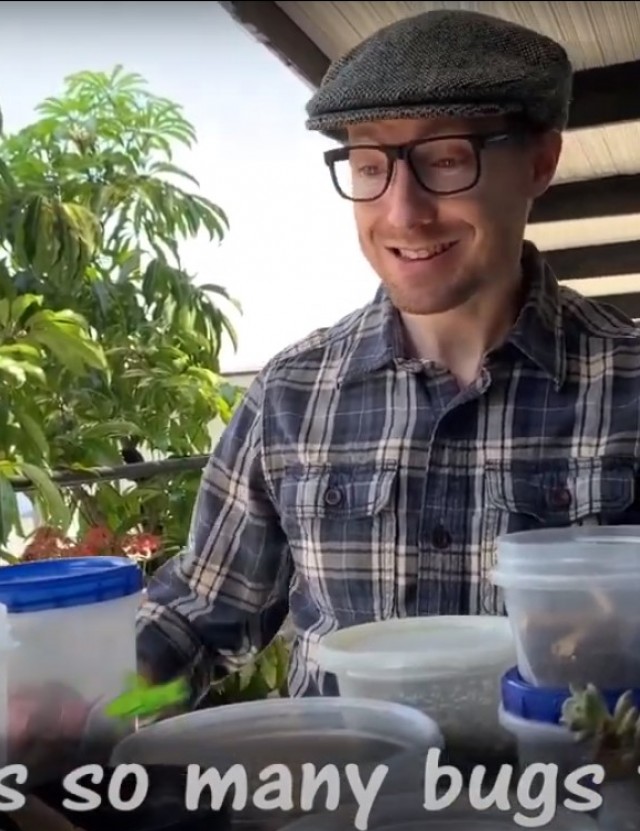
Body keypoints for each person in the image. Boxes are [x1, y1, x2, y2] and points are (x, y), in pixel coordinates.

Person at [136, 9, 640, 705]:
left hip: (572, 802)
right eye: (370, 165)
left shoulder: (631, 383)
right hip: (342, 807)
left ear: (540, 162)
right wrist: (96, 705)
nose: (403, 213)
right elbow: (197, 622)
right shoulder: (291, 396)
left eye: (444, 159)